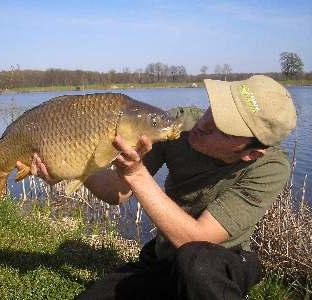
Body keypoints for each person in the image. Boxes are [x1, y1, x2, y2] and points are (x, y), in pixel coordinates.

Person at [16, 75, 297, 299]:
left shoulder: (270, 168)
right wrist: (75, 171)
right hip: (165, 256)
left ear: (250, 153)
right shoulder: (176, 126)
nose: (205, 123)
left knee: (197, 265)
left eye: (224, 126)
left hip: (226, 261)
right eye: (215, 109)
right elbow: (117, 192)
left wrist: (137, 174)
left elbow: (195, 239)